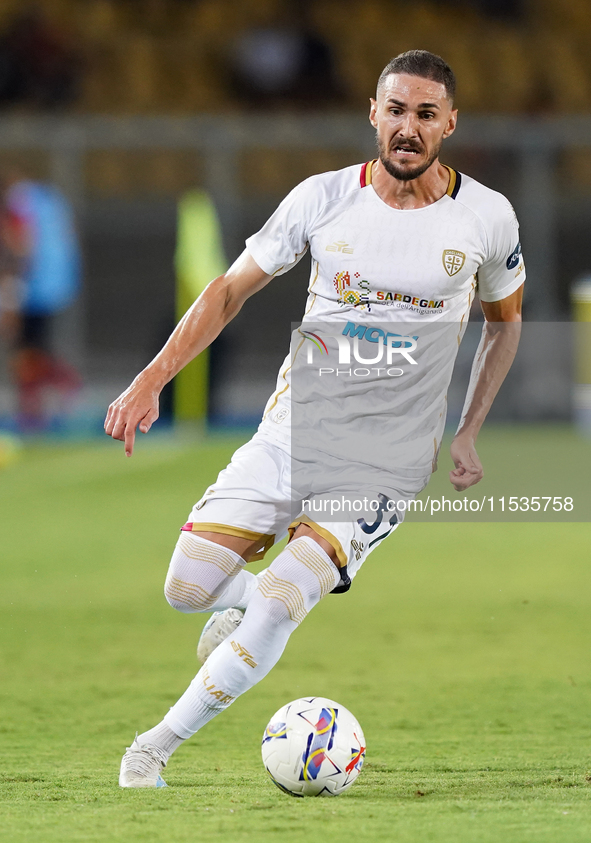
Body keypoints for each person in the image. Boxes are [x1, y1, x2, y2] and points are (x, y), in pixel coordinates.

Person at [105, 50, 525, 788]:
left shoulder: (486, 217)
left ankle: (153, 747)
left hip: (384, 459)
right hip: (291, 432)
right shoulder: (321, 198)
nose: (407, 127)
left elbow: (503, 323)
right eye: (395, 110)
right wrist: (150, 379)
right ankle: (246, 605)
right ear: (372, 113)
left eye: (425, 114)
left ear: (449, 124)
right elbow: (229, 291)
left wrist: (466, 427)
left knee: (282, 596)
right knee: (187, 588)